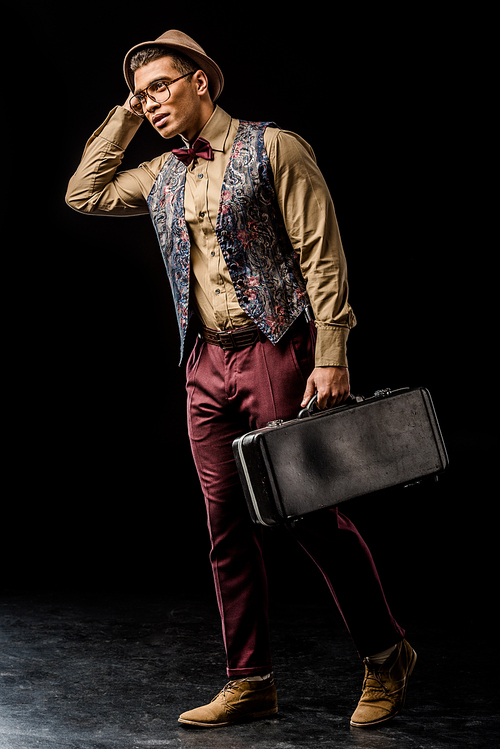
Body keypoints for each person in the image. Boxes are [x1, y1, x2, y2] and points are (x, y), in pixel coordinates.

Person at [66, 29, 416, 729]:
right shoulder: (163, 173)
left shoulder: (276, 147)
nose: (151, 102)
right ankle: (249, 679)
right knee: (225, 524)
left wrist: (332, 352)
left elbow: (323, 254)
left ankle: (387, 653)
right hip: (204, 363)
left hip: (278, 349)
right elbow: (85, 191)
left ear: (201, 80)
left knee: (310, 512)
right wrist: (128, 115)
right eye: (141, 95)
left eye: (160, 86)